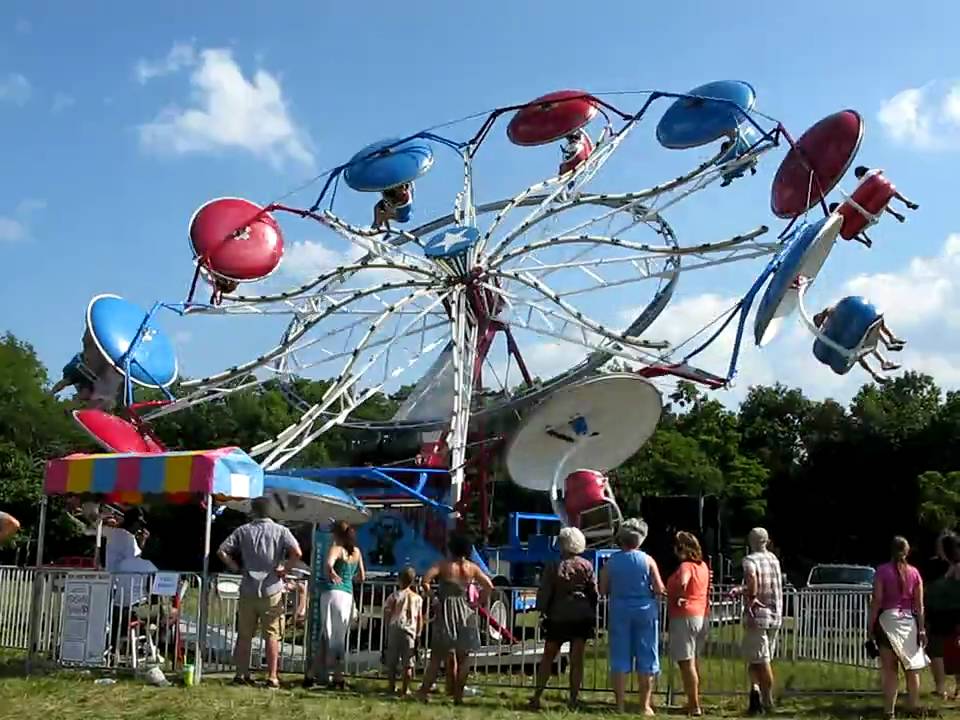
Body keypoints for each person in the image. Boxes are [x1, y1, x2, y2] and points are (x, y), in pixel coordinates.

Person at [217, 497, 303, 689]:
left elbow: (222, 551)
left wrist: (235, 567)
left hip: (248, 588)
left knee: (244, 635)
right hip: (271, 588)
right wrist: (285, 569)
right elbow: (297, 552)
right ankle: (272, 676)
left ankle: (241, 673)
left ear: (253, 511)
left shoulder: (243, 531)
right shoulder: (281, 531)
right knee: (272, 635)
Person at [417, 531, 493, 705]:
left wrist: (434, 598)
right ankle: (458, 696)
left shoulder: (444, 565)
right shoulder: (472, 568)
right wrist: (477, 603)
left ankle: (424, 691)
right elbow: (489, 585)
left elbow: (425, 580)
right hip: (465, 610)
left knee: (437, 655)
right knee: (464, 656)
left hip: (447, 609)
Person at [598, 518, 665, 715]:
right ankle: (644, 705)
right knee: (647, 656)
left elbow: (603, 589)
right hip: (645, 610)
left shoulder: (611, 561)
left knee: (619, 657)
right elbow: (659, 587)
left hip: (619, 609)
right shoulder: (648, 560)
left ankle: (619, 704)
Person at [529, 527, 598, 710]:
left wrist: (542, 609)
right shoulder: (587, 565)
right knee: (577, 659)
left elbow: (545, 590)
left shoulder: (553, 565)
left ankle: (537, 695)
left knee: (548, 656)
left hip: (558, 614)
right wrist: (593, 609)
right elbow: (593, 591)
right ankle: (573, 698)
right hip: (581, 615)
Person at [869, 536, 927, 719]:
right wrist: (922, 629)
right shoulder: (915, 573)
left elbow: (877, 600)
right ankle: (913, 707)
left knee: (890, 670)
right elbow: (919, 605)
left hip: (887, 620)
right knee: (912, 669)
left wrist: (870, 626)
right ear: (908, 551)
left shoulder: (881, 571)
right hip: (909, 621)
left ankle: (889, 711)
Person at [308, 520, 365, 690]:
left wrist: (332, 573)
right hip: (347, 594)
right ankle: (329, 676)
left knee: (329, 634)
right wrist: (349, 577)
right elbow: (362, 576)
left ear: (335, 534)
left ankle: (328, 676)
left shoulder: (336, 548)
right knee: (337, 636)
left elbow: (328, 564)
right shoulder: (356, 552)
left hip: (332, 592)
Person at [667, 531, 710, 717]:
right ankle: (693, 700)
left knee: (686, 662)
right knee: (693, 661)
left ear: (681, 548)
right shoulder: (703, 566)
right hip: (702, 615)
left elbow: (683, 583)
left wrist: (677, 595)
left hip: (684, 616)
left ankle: (694, 704)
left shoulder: (685, 566)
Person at [741, 527, 782, 716]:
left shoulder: (750, 560)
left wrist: (751, 595)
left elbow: (751, 578)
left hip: (758, 614)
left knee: (761, 660)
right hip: (775, 614)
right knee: (757, 658)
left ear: (751, 541)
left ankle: (767, 700)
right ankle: (755, 693)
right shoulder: (774, 559)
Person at [812, 306, 904, 384]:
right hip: (850, 343)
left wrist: (824, 316)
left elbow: (828, 310)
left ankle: (889, 343)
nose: (820, 323)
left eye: (819, 320)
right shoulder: (827, 330)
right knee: (858, 353)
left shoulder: (831, 316)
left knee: (873, 329)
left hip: (857, 330)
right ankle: (875, 371)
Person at [926, 533, 960, 699]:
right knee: (950, 649)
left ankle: (941, 688)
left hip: (943, 612)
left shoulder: (944, 566)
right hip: (949, 613)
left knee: (937, 650)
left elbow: (935, 590)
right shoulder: (944, 565)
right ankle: (953, 689)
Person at [383, 566, 424, 696]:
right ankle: (405, 688)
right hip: (410, 631)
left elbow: (387, 611)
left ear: (399, 580)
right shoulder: (418, 598)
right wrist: (418, 633)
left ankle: (391, 686)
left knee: (392, 661)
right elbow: (420, 618)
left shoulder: (394, 595)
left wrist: (386, 626)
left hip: (395, 628)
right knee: (408, 662)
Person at [854, 166, 919, 222]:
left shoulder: (859, 184)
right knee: (892, 191)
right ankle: (907, 202)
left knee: (882, 204)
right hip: (883, 188)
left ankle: (895, 214)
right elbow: (881, 170)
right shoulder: (870, 172)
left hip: (874, 197)